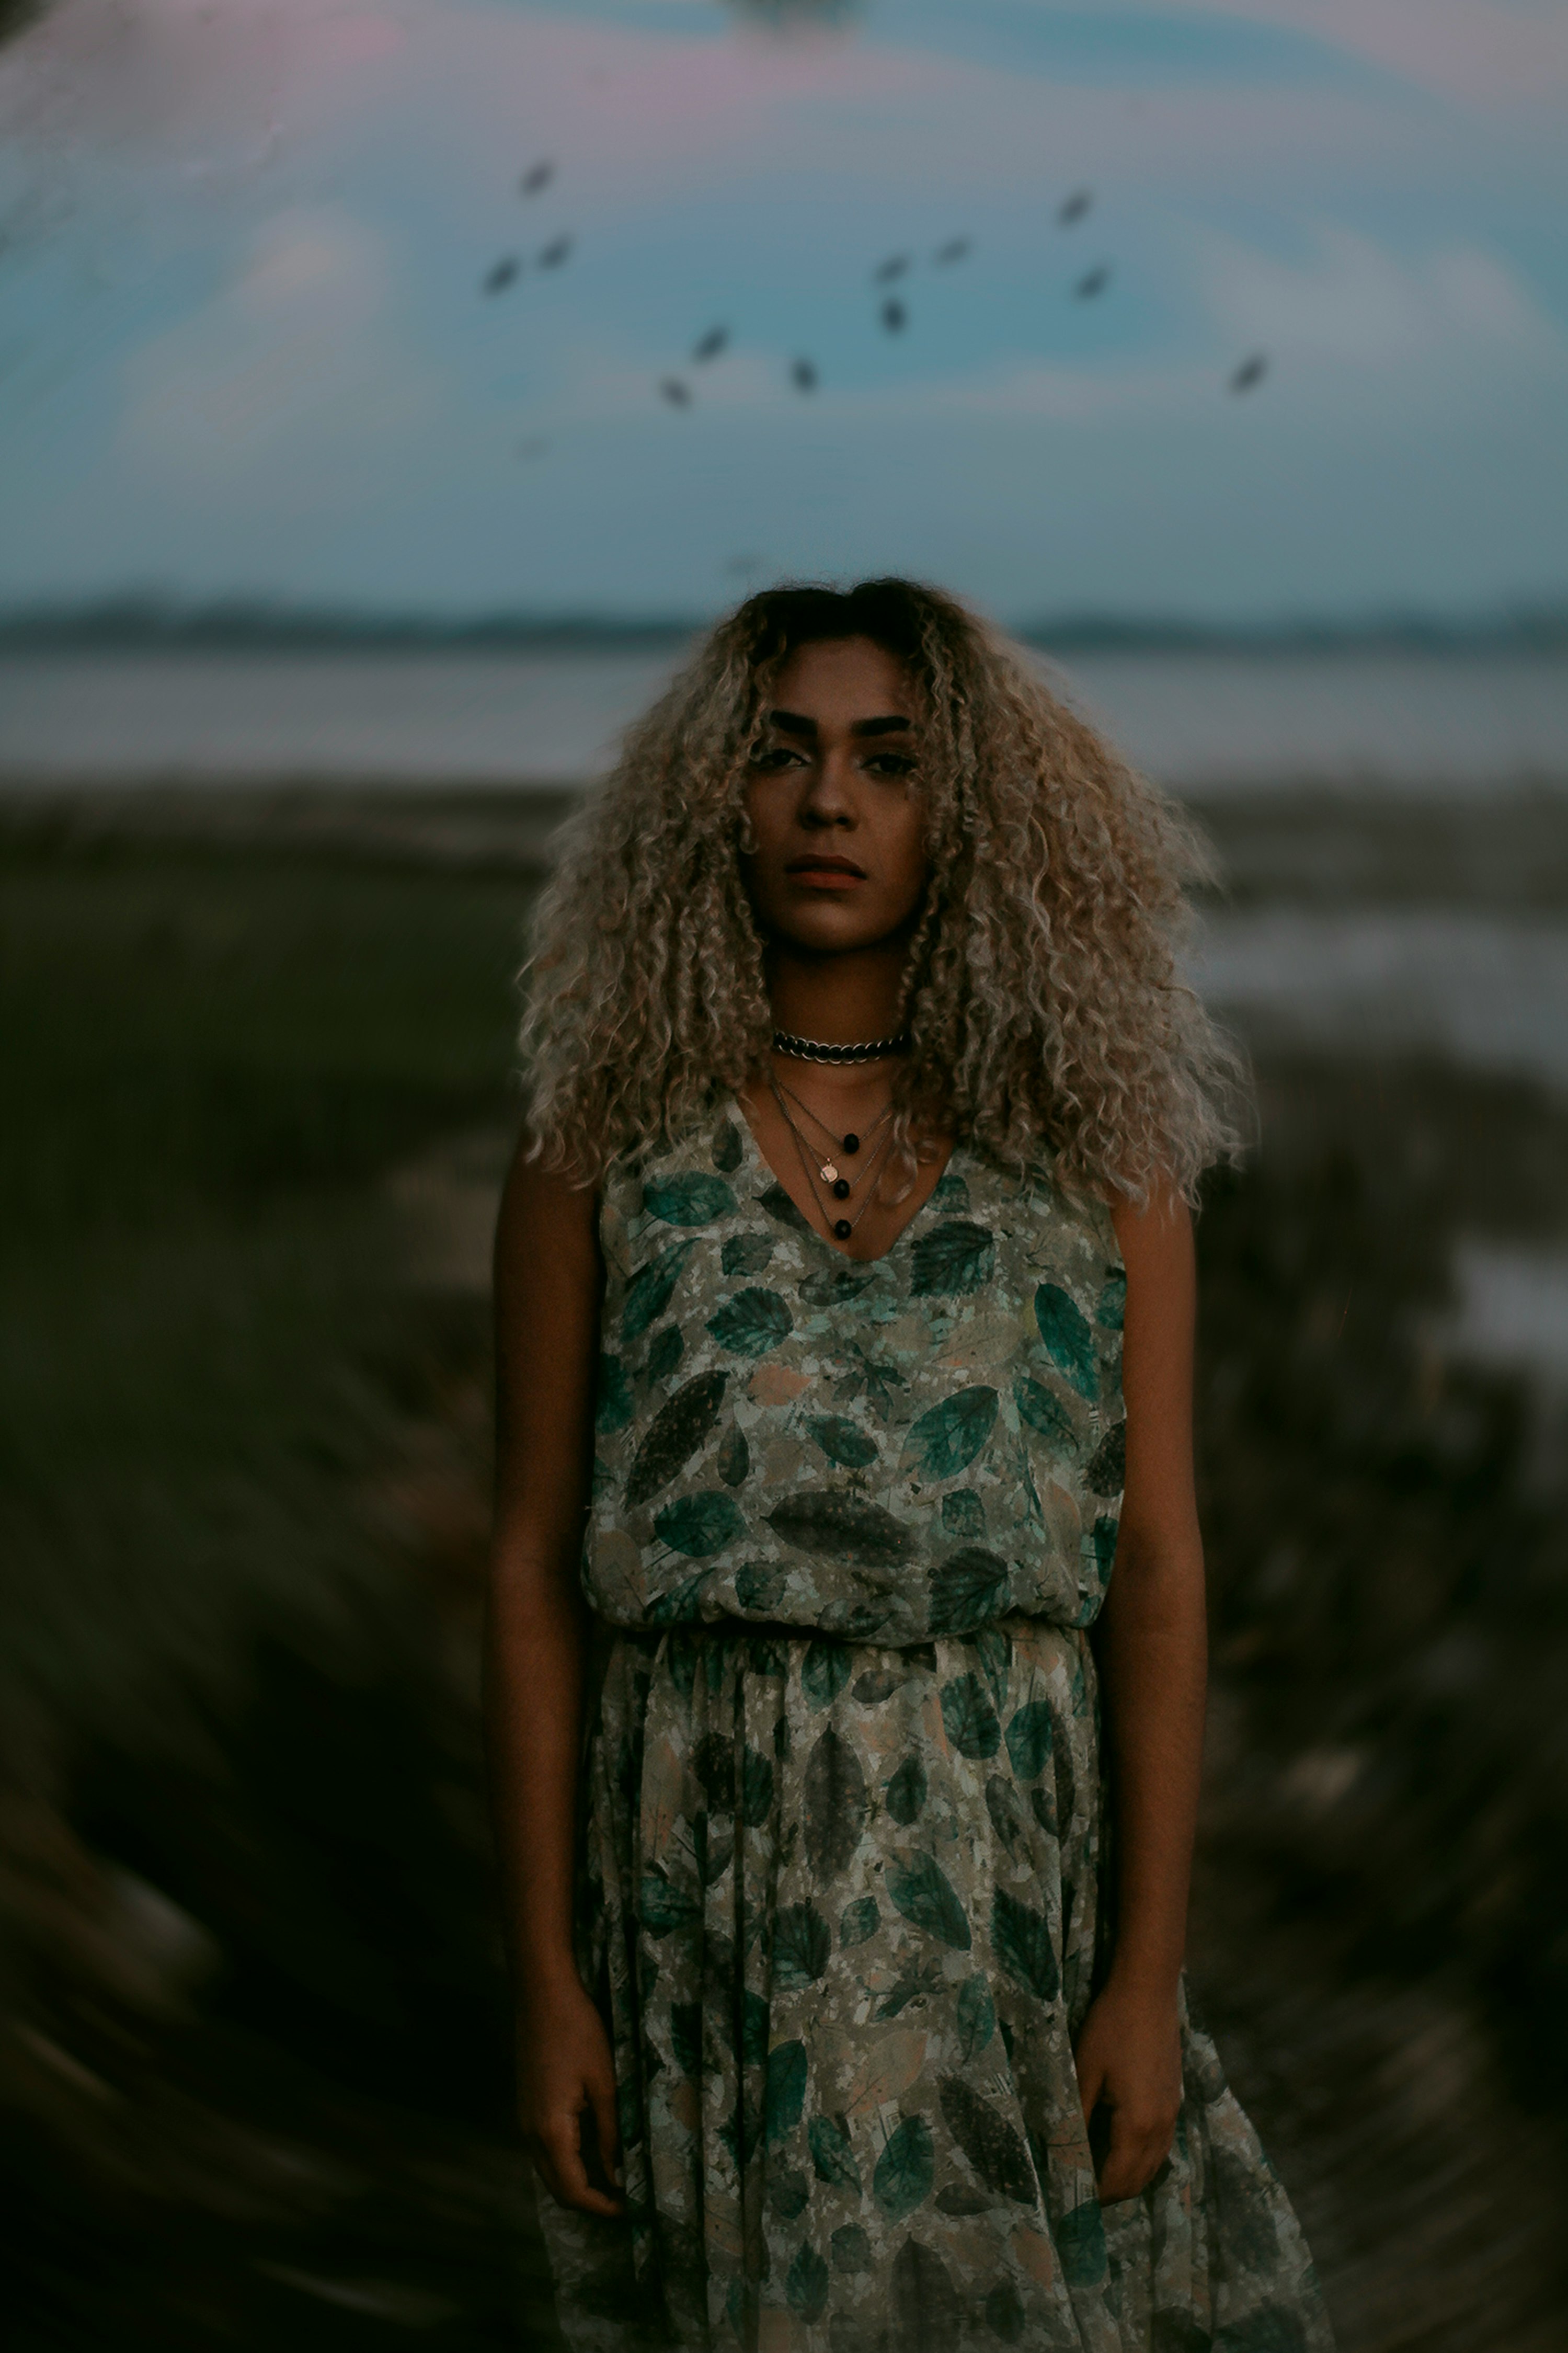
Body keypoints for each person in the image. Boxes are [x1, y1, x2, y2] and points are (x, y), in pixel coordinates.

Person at [486, 580, 1332, 2351]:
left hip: (1003, 1903)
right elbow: (530, 1563)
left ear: (976, 813)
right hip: (701, 1912)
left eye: (889, 761)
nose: (829, 804)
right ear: (712, 796)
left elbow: (1160, 1566)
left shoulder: (1098, 1153)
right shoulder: (598, 1151)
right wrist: (553, 1983)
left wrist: (1146, 1982)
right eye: (781, 756)